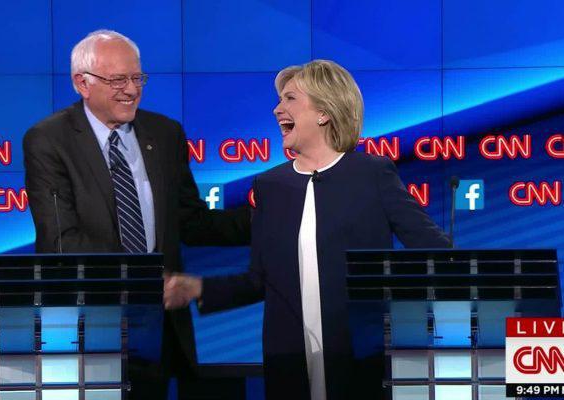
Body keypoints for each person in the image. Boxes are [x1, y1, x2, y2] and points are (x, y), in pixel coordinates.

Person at [164, 59, 451, 400]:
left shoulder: (372, 174)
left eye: (289, 99)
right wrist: (199, 288)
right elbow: (260, 280)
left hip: (362, 357)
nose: (277, 110)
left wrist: (390, 307)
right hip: (288, 360)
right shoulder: (270, 186)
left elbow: (436, 252)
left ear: (324, 112)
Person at [23, 29, 250, 399]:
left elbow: (191, 222)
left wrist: (268, 218)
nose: (131, 90)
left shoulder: (165, 133)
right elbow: (61, 242)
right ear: (82, 83)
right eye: (117, 80)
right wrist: (142, 278)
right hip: (89, 328)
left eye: (137, 78)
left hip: (157, 332)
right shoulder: (49, 139)